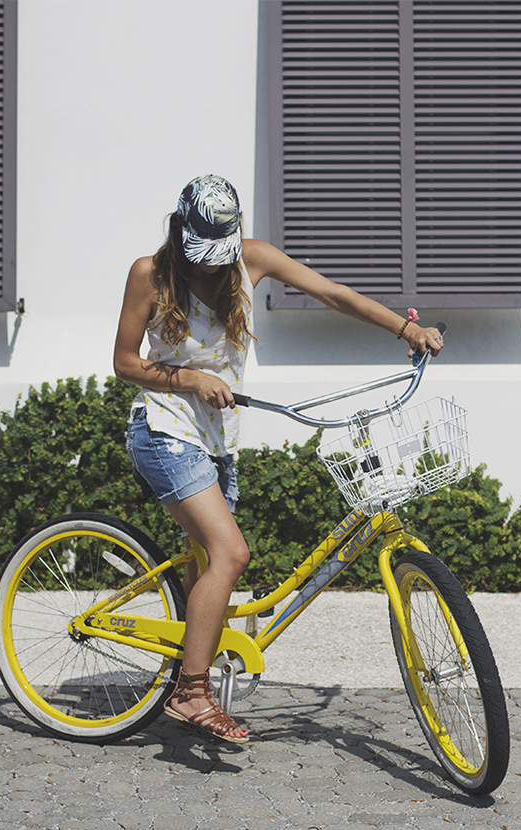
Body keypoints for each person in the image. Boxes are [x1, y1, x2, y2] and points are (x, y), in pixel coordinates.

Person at [114, 174, 443, 743]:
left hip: (218, 438)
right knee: (230, 552)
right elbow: (124, 362)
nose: (213, 269)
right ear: (182, 230)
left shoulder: (251, 259)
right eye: (203, 256)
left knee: (203, 562)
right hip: (165, 429)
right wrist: (190, 378)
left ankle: (193, 673)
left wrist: (404, 327)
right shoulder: (151, 272)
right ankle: (190, 692)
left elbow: (332, 292)